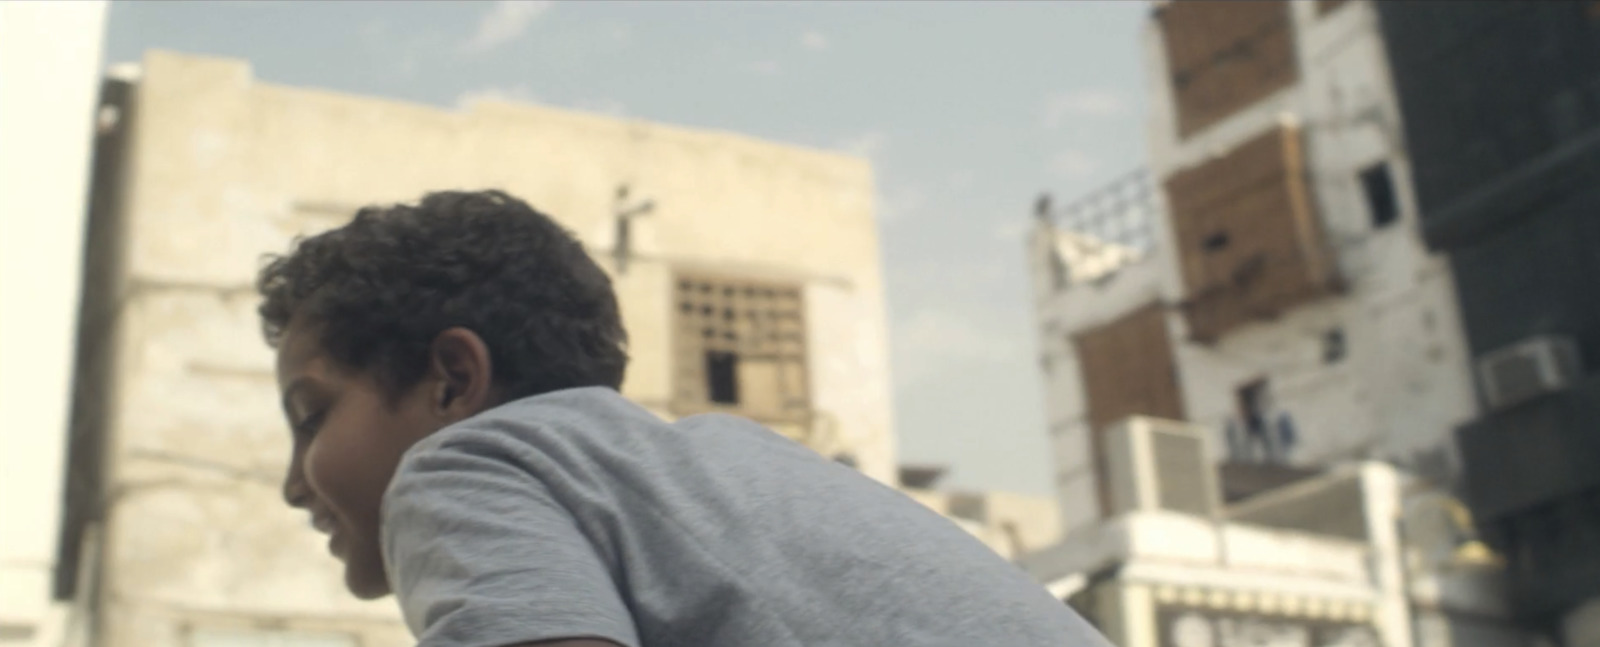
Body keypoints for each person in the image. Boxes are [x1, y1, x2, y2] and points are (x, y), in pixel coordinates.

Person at [258, 190, 1108, 647]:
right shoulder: (737, 465)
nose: (296, 483)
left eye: (311, 415)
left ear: (452, 379)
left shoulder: (465, 465)